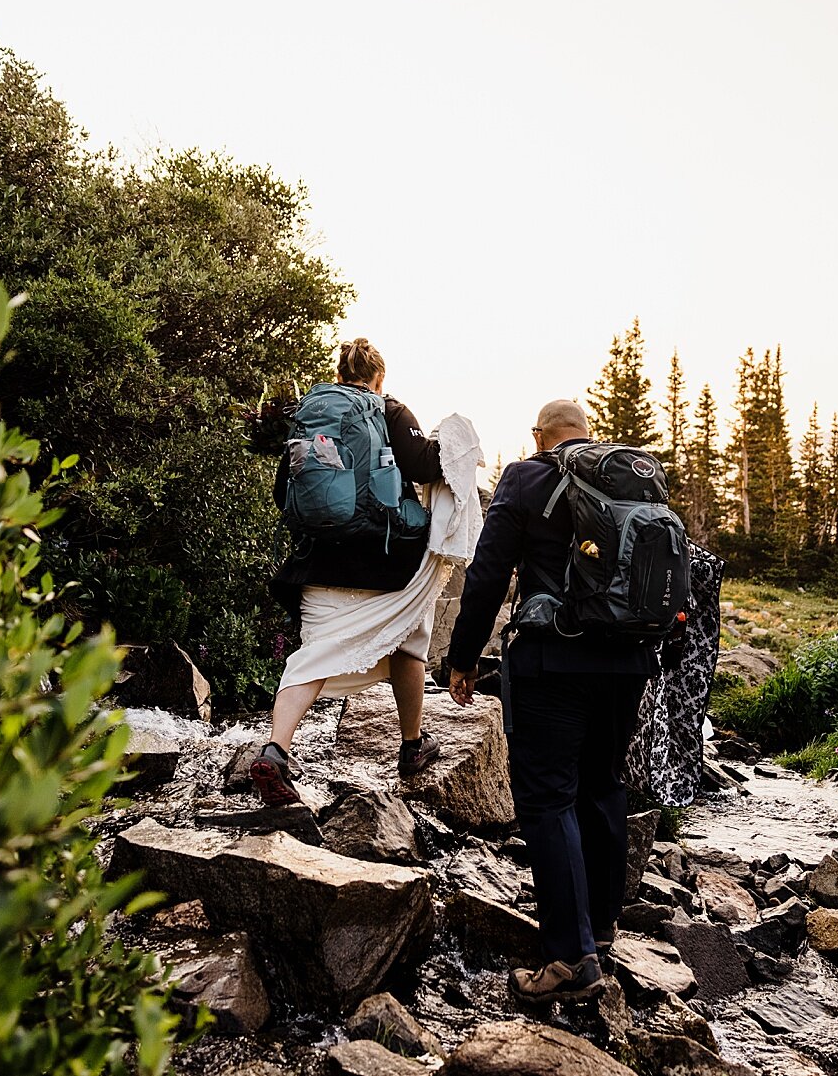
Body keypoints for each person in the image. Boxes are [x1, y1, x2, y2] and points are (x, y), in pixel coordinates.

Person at [445, 398, 658, 1005]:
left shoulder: (527, 476)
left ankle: (569, 959)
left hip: (553, 663)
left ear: (540, 437)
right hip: (627, 664)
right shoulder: (634, 478)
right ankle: (603, 930)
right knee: (604, 786)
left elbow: (487, 574)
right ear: (587, 436)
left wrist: (463, 658)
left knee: (547, 799)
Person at [252, 338, 447, 806]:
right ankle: (412, 747)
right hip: (387, 562)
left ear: (338, 374)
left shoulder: (312, 413)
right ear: (379, 376)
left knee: (314, 656)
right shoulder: (390, 410)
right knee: (408, 642)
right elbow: (426, 465)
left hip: (318, 560)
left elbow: (286, 490)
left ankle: (276, 750)